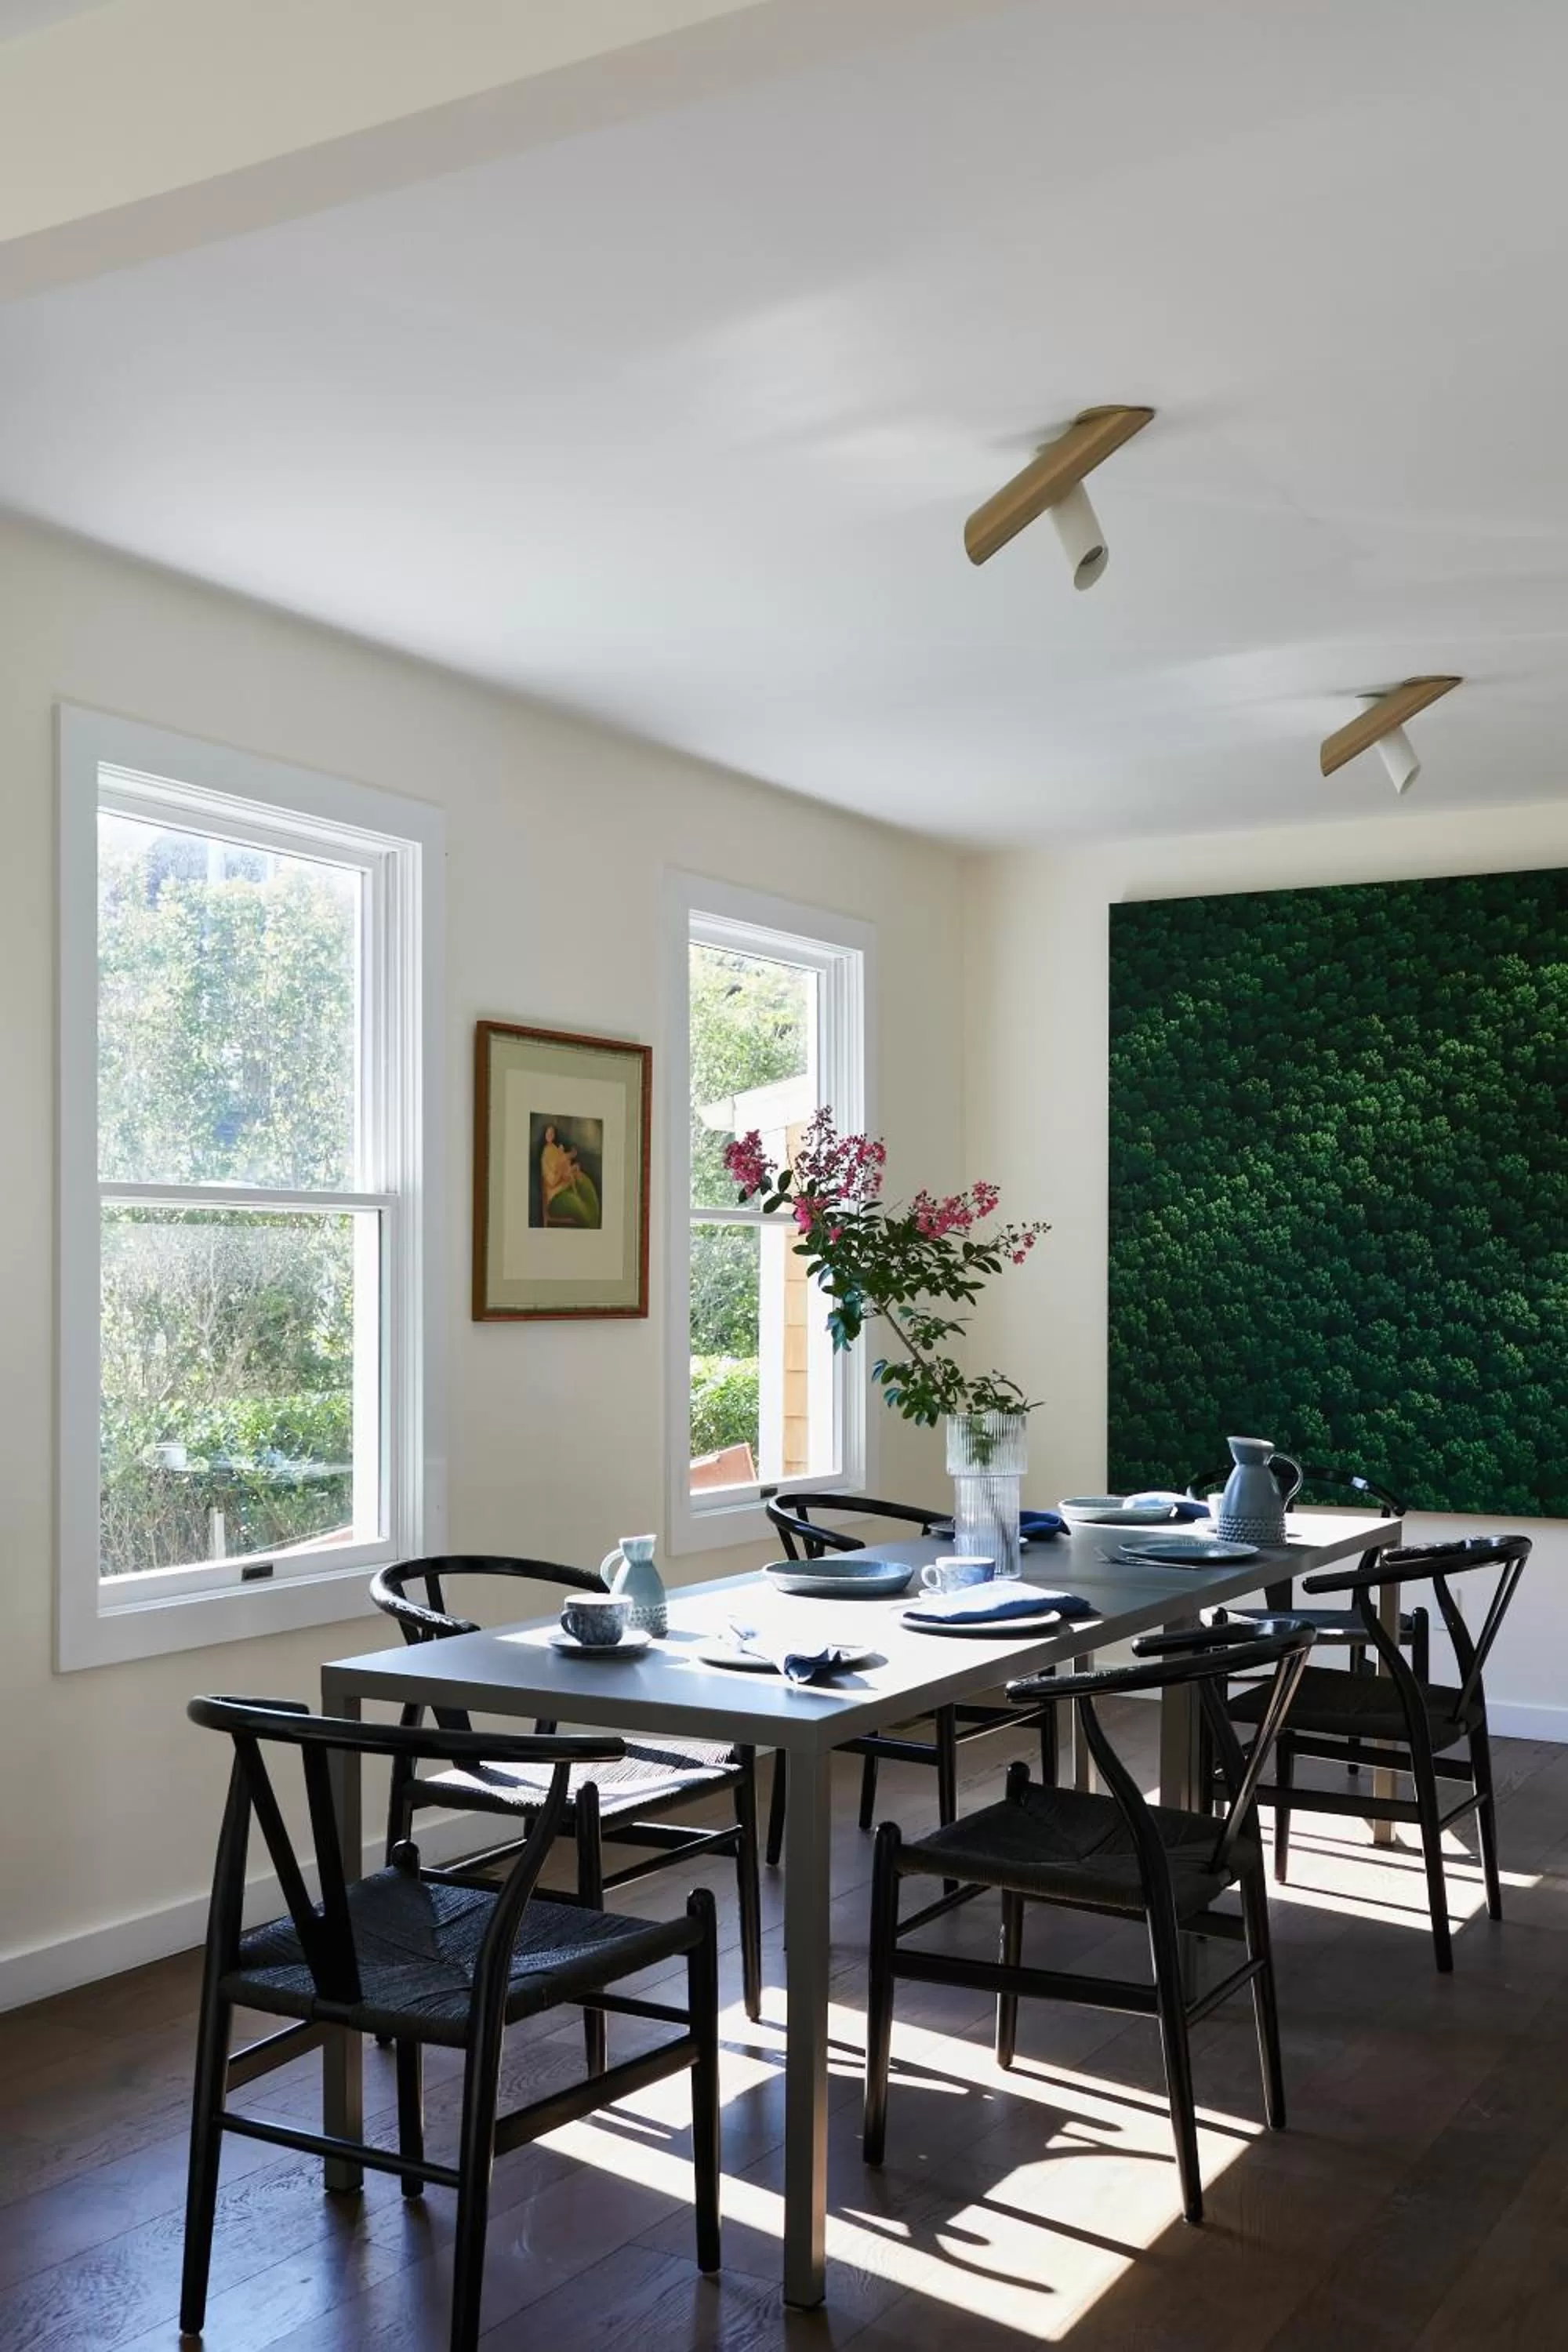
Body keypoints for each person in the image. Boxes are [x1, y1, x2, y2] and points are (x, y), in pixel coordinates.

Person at [539, 1123, 601, 1227]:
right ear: (545, 1135)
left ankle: (596, 1222)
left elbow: (564, 1164)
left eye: (552, 1133)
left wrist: (570, 1166)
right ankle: (593, 1227)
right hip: (556, 1197)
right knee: (580, 1207)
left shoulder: (555, 1149)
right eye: (548, 1133)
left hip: (566, 1186)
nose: (550, 1135)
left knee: (587, 1186)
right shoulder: (545, 1156)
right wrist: (563, 1169)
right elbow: (552, 1181)